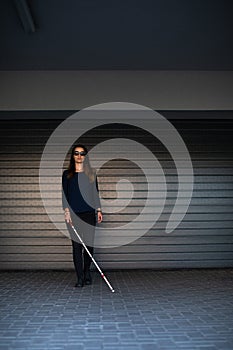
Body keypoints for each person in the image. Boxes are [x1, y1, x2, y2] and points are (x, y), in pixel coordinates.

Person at [62, 144, 103, 288]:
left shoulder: (91, 173)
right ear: (73, 156)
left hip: (88, 214)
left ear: (86, 156)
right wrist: (67, 212)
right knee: (76, 247)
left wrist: (98, 210)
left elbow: (95, 193)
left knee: (88, 246)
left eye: (82, 153)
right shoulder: (67, 174)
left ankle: (87, 273)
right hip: (73, 215)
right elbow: (64, 195)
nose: (79, 156)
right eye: (76, 153)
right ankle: (79, 277)